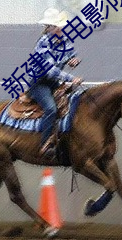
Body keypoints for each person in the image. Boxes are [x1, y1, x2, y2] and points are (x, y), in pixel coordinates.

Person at [28, 8, 82, 158]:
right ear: (51, 28)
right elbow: (50, 70)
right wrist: (71, 79)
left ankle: (65, 137)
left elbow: (72, 54)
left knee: (72, 102)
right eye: (58, 26)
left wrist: (74, 60)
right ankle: (45, 143)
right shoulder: (43, 43)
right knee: (51, 108)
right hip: (39, 83)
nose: (61, 28)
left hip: (53, 82)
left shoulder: (64, 40)